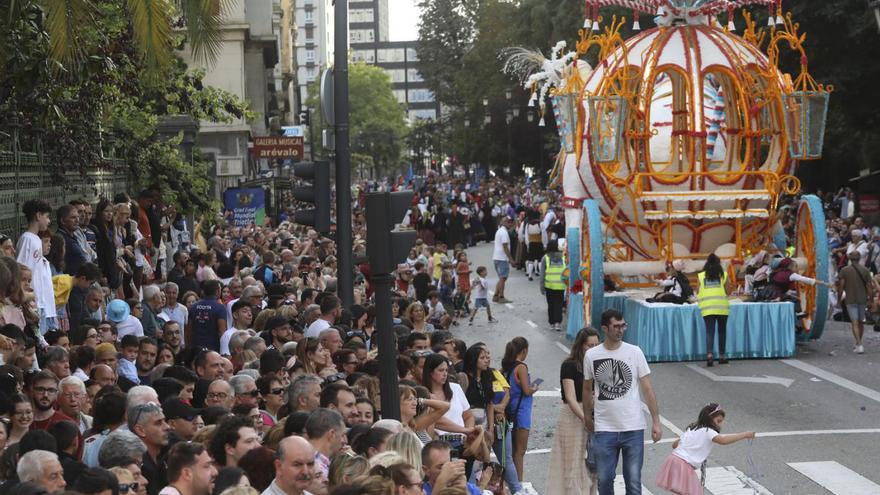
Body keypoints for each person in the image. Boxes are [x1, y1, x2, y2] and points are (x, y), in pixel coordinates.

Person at [583, 309, 662, 495]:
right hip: (604, 429)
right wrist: (587, 416)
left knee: (633, 481)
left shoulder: (634, 352)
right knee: (605, 480)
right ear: (604, 328)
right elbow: (587, 389)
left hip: (633, 428)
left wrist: (656, 422)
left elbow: (648, 389)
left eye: (623, 325)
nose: (621, 330)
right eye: (616, 326)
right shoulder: (592, 356)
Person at [655, 404, 755, 495]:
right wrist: (745, 434)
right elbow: (723, 440)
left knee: (686, 492)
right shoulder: (709, 431)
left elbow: (674, 445)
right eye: (718, 421)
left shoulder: (693, 428)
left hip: (673, 460)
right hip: (684, 464)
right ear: (709, 419)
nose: (720, 424)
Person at [546, 328, 600, 495]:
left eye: (596, 345)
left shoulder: (599, 365)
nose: (593, 348)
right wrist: (585, 419)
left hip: (593, 415)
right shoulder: (569, 365)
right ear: (580, 346)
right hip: (573, 417)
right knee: (573, 464)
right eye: (589, 345)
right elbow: (570, 397)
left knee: (592, 463)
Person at [500, 337, 536, 484]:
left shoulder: (506, 367)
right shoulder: (521, 367)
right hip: (522, 413)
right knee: (520, 452)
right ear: (524, 351)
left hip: (510, 411)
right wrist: (534, 387)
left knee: (512, 451)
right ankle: (518, 484)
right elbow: (527, 391)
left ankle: (511, 482)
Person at [837, 251, 876, 354]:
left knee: (854, 322)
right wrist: (871, 300)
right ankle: (858, 343)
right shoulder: (865, 270)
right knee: (860, 322)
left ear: (850, 259)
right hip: (862, 299)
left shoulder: (844, 270)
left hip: (850, 299)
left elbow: (840, 287)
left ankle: (859, 344)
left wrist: (838, 300)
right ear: (859, 258)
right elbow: (869, 288)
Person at [697, 254, 730, 367]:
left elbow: (698, 291)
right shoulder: (724, 275)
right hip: (722, 307)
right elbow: (728, 291)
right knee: (722, 331)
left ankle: (710, 355)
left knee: (709, 332)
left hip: (707, 307)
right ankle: (721, 356)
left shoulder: (701, 276)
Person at [188, 280, 227, 353]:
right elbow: (222, 331)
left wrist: (189, 347)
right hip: (213, 349)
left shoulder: (193, 307)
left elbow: (189, 330)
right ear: (218, 291)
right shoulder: (220, 308)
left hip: (196, 348)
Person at [539, 239, 566, 332]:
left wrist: (541, 287)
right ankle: (558, 323)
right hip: (561, 286)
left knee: (550, 305)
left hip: (549, 286)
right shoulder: (563, 257)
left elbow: (542, 274)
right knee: (559, 304)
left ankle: (552, 323)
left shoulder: (545, 258)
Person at [492, 217, 513, 304]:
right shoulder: (504, 232)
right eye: (509, 222)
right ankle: (501, 296)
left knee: (502, 278)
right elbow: (505, 246)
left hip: (496, 257)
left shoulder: (499, 230)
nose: (511, 224)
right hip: (502, 258)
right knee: (503, 278)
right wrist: (511, 259)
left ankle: (496, 295)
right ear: (505, 223)